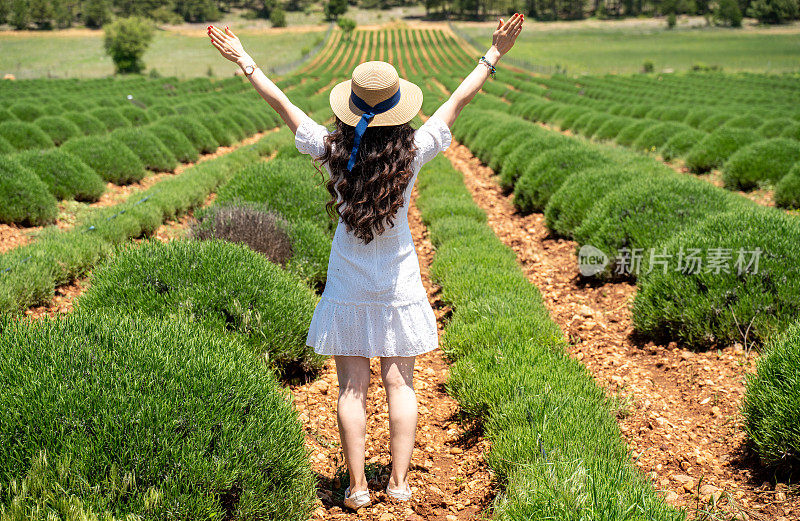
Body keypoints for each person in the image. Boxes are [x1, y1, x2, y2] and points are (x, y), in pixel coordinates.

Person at [207, 15, 523, 510]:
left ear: (350, 106)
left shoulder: (331, 149)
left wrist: (245, 60)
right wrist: (494, 53)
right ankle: (398, 484)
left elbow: (282, 104)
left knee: (351, 388)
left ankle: (355, 488)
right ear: (399, 108)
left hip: (348, 281)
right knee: (401, 383)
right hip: (397, 281)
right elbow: (458, 101)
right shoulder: (413, 151)